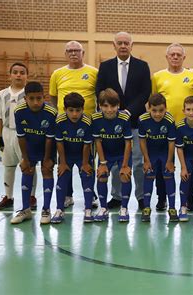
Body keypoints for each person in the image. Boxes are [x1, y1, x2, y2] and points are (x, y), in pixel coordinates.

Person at [96, 32, 152, 211]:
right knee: (114, 163)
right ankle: (117, 196)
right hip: (111, 123)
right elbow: (100, 91)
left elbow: (145, 92)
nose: (123, 46)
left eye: (126, 43)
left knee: (136, 162)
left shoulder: (142, 66)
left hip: (135, 122)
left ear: (131, 45)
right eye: (119, 43)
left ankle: (141, 197)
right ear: (114, 46)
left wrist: (128, 112)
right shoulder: (105, 67)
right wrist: (113, 112)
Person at [152, 43, 193, 212]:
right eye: (172, 54)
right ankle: (162, 198)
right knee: (163, 165)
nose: (175, 57)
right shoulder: (157, 76)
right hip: (164, 129)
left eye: (178, 55)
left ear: (184, 58)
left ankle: (189, 199)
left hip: (187, 129)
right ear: (167, 57)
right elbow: (153, 101)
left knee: (190, 166)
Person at [50, 40, 98, 208]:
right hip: (64, 126)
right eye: (69, 51)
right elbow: (54, 97)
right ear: (65, 54)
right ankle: (67, 195)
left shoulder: (94, 72)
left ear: (82, 53)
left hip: (87, 125)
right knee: (65, 160)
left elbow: (99, 96)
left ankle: (90, 194)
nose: (73, 53)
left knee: (88, 161)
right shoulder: (57, 73)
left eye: (76, 50)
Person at [11, 81, 57, 224]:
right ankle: (26, 209)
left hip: (47, 148)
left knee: (47, 171)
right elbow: (21, 137)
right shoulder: (19, 112)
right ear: (25, 99)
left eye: (39, 98)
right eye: (31, 99)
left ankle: (46, 209)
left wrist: (47, 159)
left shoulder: (51, 113)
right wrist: (24, 158)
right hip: (29, 147)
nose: (36, 102)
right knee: (27, 171)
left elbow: (50, 140)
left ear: (44, 97)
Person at [0, 63, 37, 211]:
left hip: (26, 135)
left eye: (22, 72)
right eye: (15, 72)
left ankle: (31, 196)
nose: (18, 75)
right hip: (7, 133)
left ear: (27, 76)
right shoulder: (1, 94)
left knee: (29, 165)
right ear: (10, 75)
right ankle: (8, 196)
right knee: (8, 166)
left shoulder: (30, 95)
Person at [53, 93, 95, 223]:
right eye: (71, 110)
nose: (75, 114)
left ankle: (88, 209)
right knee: (62, 178)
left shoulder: (87, 122)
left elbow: (87, 145)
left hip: (83, 155)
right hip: (67, 155)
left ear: (83, 109)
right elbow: (59, 143)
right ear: (65, 110)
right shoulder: (59, 122)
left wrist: (85, 163)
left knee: (87, 177)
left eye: (78, 110)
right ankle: (59, 209)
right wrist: (63, 163)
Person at [91, 88, 133, 223]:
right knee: (102, 176)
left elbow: (128, 143)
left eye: (113, 106)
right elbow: (98, 141)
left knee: (125, 176)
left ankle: (124, 208)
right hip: (106, 154)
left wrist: (125, 165)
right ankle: (103, 208)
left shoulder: (124, 117)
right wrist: (102, 163)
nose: (109, 110)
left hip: (122, 153)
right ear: (99, 106)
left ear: (118, 105)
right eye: (105, 106)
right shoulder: (96, 118)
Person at [138, 94, 177, 222]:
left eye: (161, 110)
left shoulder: (170, 120)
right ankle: (146, 208)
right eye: (154, 110)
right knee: (148, 178)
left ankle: (172, 208)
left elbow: (171, 142)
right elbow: (142, 141)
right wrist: (146, 160)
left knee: (168, 177)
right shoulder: (143, 120)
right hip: (151, 154)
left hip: (166, 153)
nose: (157, 114)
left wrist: (170, 161)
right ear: (148, 108)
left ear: (166, 108)